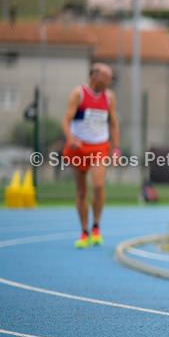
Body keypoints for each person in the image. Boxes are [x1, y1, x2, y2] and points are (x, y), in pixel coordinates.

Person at [61, 63, 120, 248]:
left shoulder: (109, 97)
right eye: (107, 78)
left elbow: (113, 123)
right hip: (79, 147)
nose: (110, 81)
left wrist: (116, 149)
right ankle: (84, 231)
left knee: (98, 185)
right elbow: (66, 120)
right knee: (81, 191)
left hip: (100, 146)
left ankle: (96, 226)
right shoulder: (78, 94)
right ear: (95, 76)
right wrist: (70, 138)